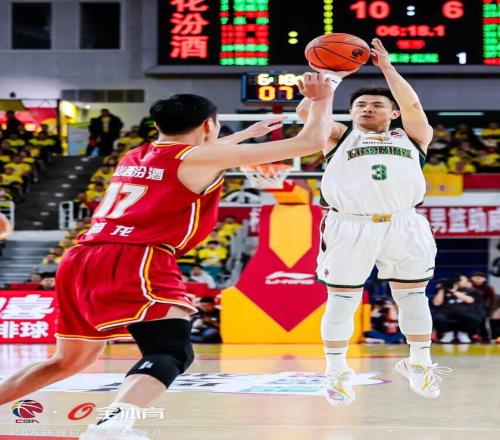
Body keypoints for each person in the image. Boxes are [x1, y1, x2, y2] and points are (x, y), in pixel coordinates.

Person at [0, 74, 335, 440]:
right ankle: (112, 427)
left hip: (81, 256)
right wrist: (321, 99)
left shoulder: (136, 154)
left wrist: (241, 135)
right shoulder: (200, 157)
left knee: (66, 362)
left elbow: (193, 155)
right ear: (208, 125)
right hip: (136, 257)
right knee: (171, 350)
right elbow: (310, 141)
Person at [298, 38, 450, 405]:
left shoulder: (413, 136)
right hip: (349, 225)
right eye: (360, 105)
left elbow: (413, 104)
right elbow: (307, 114)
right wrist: (330, 78)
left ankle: (419, 363)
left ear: (393, 113)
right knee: (342, 299)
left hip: (404, 224)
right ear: (350, 112)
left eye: (377, 104)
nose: (367, 108)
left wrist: (387, 68)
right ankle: (336, 372)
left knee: (413, 296)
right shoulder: (338, 136)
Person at [432, 277, 484, 343]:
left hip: (465, 312)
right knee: (437, 317)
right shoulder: (443, 291)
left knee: (474, 318)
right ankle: (448, 333)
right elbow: (436, 303)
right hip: (446, 312)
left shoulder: (469, 290)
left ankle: (463, 333)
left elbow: (470, 300)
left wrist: (453, 291)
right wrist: (441, 289)